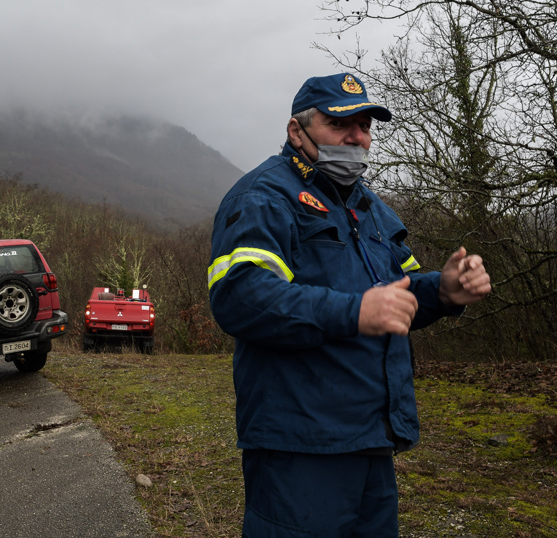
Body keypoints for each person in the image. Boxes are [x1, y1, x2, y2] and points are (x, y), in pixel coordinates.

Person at [206, 73, 491, 537]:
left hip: (373, 438)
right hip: (300, 445)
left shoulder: (372, 208)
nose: (357, 137)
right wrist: (354, 311)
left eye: (365, 125)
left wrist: (443, 290)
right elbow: (241, 296)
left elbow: (402, 291)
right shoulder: (263, 195)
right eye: (341, 124)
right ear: (297, 131)